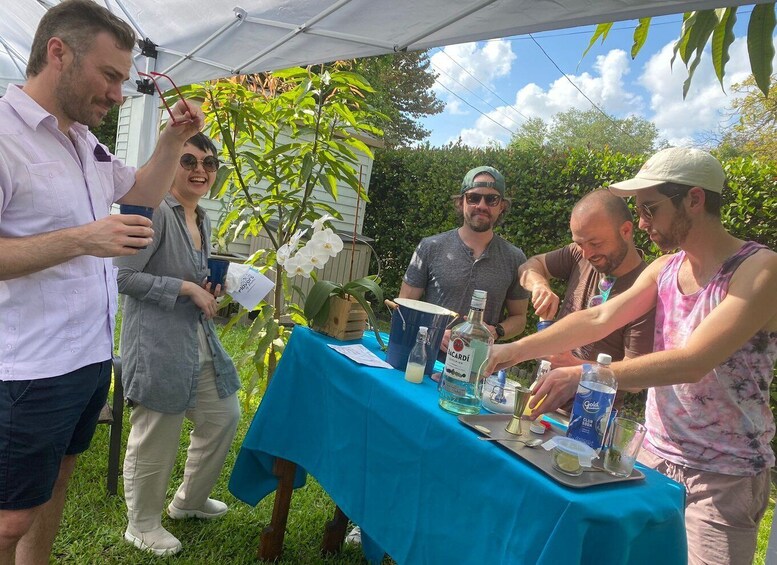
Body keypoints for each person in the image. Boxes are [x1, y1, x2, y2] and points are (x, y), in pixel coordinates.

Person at [486, 147, 777, 565]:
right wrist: (513, 350)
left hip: (724, 475)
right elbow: (600, 316)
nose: (641, 223)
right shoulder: (665, 268)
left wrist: (585, 376)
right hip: (652, 456)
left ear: (695, 199)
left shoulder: (760, 269)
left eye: (650, 209)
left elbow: (694, 361)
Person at [0, 0, 204, 562]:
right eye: (110, 75)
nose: (118, 93)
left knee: (56, 485)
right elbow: (89, 234)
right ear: (58, 53)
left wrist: (170, 142)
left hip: (88, 358)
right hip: (24, 367)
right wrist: (83, 240)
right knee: (8, 517)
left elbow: (139, 194)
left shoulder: (82, 140)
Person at [116, 133, 240, 556]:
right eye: (188, 161)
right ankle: (142, 524)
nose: (200, 170)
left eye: (209, 163)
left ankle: (188, 502)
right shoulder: (154, 213)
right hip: (157, 345)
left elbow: (192, 276)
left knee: (223, 415)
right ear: (170, 164)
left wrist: (207, 286)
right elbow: (122, 278)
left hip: (197, 342)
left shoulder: (201, 217)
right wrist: (186, 287)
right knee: (157, 434)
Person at [519, 189, 655, 367]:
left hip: (593, 395)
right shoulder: (579, 254)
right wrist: (539, 285)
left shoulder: (646, 288)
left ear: (626, 230)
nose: (587, 253)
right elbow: (530, 266)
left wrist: (573, 365)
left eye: (595, 244)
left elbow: (636, 376)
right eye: (579, 243)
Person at [400, 166, 529, 352]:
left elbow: (519, 318)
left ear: (502, 206)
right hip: (425, 359)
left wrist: (496, 331)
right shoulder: (430, 247)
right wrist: (432, 331)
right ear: (461, 203)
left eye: (491, 199)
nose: (482, 206)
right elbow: (405, 306)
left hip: (478, 367)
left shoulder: (515, 258)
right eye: (474, 198)